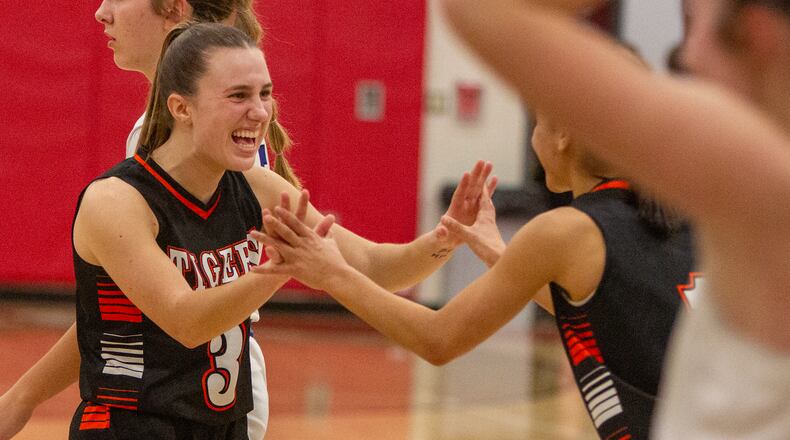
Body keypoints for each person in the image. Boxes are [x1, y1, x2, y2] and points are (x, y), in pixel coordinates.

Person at [33, 21, 485, 439]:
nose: (260, 112)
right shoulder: (116, 200)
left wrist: (445, 239)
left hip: (223, 426)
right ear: (181, 108)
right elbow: (185, 320)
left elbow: (371, 266)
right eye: (238, 96)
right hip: (132, 425)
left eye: (265, 93)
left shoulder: (254, 186)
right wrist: (273, 271)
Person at [436, 0, 790, 438]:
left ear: (757, 33)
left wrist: (336, 275)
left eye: (698, 25)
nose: (686, 55)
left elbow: (478, 10)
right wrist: (499, 254)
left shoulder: (754, 174)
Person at [250, 99, 698, 437]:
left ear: (563, 135)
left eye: (538, 121)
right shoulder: (682, 216)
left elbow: (438, 338)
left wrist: (332, 274)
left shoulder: (566, 231)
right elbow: (610, 308)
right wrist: (498, 256)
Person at [0, 2, 286, 439]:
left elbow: (152, 313)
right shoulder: (206, 126)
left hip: (189, 393)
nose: (101, 13)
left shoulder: (181, 141)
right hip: (209, 382)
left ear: (173, 7)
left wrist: (21, 399)